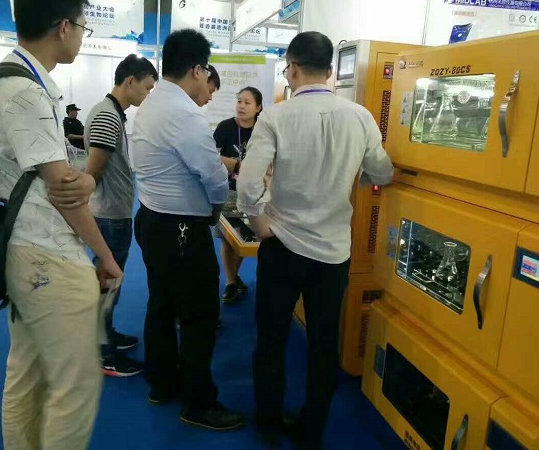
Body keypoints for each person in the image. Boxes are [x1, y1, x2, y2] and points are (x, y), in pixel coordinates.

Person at [0, 0, 123, 450]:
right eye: (82, 27)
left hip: (23, 249)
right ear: (64, 27)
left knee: (28, 376)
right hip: (48, 255)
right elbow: (63, 192)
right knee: (75, 386)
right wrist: (105, 255)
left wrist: (80, 179)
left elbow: (56, 178)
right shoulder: (24, 92)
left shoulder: (6, 81)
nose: (81, 36)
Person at [237, 31, 394, 448]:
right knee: (324, 344)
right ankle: (312, 432)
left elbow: (248, 184)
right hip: (334, 252)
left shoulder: (276, 116)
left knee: (271, 340)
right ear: (330, 70)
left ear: (291, 69)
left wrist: (259, 222)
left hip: (282, 245)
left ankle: (268, 425)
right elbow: (383, 172)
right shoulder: (360, 116)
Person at [131, 29, 243, 431]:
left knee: (161, 304)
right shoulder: (185, 114)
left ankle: (162, 383)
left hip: (151, 218)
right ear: (197, 69)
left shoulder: (151, 103)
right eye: (207, 73)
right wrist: (216, 208)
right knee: (199, 315)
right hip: (181, 228)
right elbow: (213, 177)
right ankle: (198, 403)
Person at [84, 54, 158, 377]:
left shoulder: (114, 114)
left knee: (109, 283)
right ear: (130, 82)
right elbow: (92, 173)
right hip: (108, 216)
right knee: (107, 283)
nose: (148, 95)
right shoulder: (107, 115)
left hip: (114, 214)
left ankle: (105, 336)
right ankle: (102, 354)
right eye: (147, 87)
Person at [212, 87, 263, 304]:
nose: (241, 106)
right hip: (228, 190)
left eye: (247, 102)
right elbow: (211, 156)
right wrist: (235, 164)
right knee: (228, 238)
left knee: (245, 239)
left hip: (254, 193)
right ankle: (231, 282)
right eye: (239, 101)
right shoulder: (225, 127)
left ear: (258, 107)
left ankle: (234, 276)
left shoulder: (263, 129)